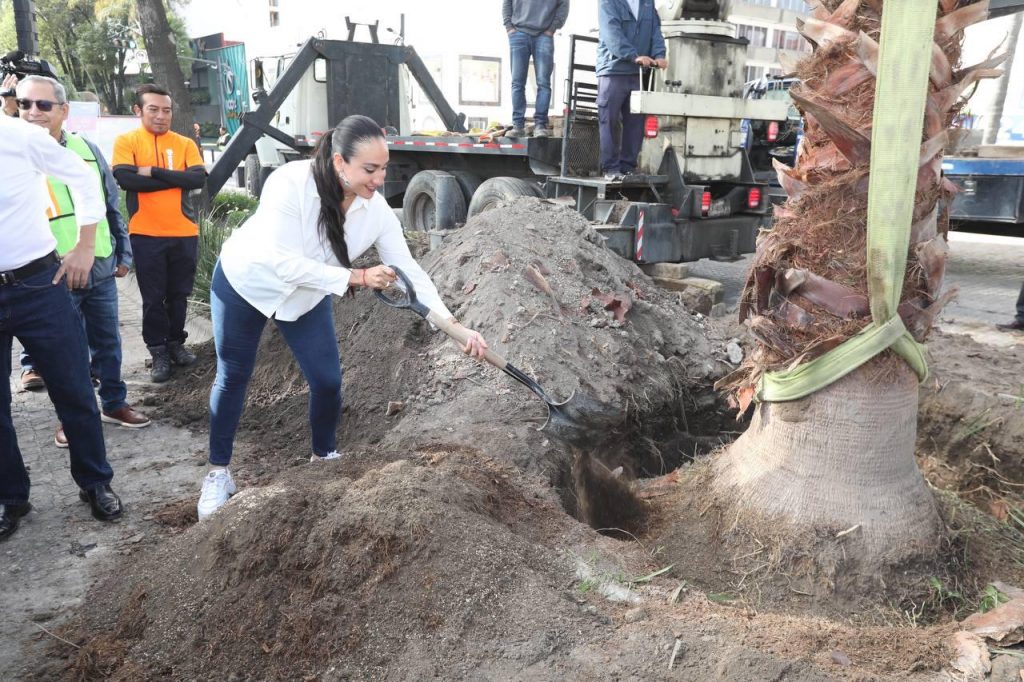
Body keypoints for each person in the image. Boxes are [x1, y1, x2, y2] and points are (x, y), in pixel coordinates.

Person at [197, 114, 490, 520]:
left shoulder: (377, 213)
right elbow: (282, 264)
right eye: (370, 169)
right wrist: (356, 276)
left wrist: (456, 329)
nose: (379, 179)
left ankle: (323, 460)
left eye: (384, 168)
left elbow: (411, 273)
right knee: (234, 376)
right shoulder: (290, 183)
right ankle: (218, 473)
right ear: (339, 162)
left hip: (306, 296)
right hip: (247, 283)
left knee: (328, 381)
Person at [0, 110, 125, 541]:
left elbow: (84, 178)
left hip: (37, 283)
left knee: (73, 389)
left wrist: (84, 246)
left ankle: (95, 483)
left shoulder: (18, 136)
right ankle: (10, 497)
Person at [14, 76, 151, 442]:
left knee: (108, 343)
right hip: (51, 272)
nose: (33, 112)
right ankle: (71, 417)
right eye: (25, 104)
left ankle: (113, 402)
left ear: (64, 110)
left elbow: (110, 203)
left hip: (100, 265)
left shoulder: (85, 147)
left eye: (43, 105)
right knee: (65, 353)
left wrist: (123, 251)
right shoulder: (15, 151)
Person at [112, 84, 207, 383]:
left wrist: (152, 171)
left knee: (179, 295)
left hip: (184, 232)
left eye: (166, 110)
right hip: (146, 232)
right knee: (153, 298)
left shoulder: (184, 143)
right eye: (153, 109)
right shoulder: (127, 141)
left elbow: (196, 178)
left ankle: (176, 343)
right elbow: (127, 179)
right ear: (138, 111)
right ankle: (158, 351)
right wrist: (175, 179)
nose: (161, 116)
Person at [596, 0, 668, 181]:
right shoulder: (608, 2)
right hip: (613, 70)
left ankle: (627, 167)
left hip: (637, 73)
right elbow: (611, 33)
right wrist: (633, 56)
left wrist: (659, 55)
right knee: (609, 120)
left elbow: (655, 32)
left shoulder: (647, 4)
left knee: (635, 122)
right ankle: (611, 168)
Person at [503, 0, 569, 139]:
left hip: (544, 35)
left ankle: (540, 125)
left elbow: (564, 4)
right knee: (517, 83)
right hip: (518, 33)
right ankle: (518, 126)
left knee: (544, 83)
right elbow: (507, 2)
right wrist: (509, 27)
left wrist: (552, 29)